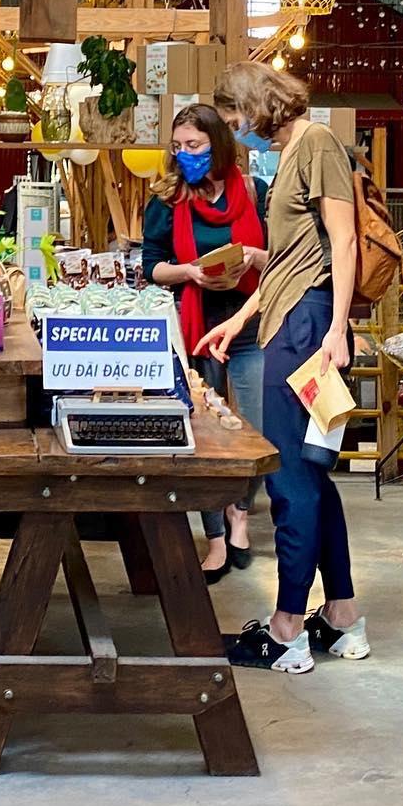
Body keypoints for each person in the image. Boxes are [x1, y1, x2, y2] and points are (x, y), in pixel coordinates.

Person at [199, 62, 369, 674]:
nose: (236, 130)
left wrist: (334, 333)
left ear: (257, 104)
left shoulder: (317, 142)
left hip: (307, 330)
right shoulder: (293, 151)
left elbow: (343, 241)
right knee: (313, 477)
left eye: (236, 118)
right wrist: (242, 317)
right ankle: (343, 616)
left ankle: (286, 629)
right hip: (291, 319)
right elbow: (290, 258)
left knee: (291, 479)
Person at [142, 104, 269, 584]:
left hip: (249, 320)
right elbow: (151, 264)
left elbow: (281, 255)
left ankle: (241, 511)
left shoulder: (253, 191)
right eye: (178, 147)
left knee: (256, 427)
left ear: (218, 143)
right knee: (203, 433)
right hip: (195, 322)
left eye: (193, 145)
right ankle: (215, 535)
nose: (185, 155)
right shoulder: (168, 197)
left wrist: (254, 257)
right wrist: (189, 271)